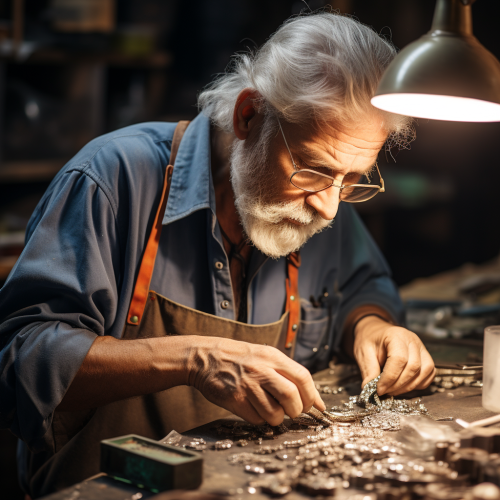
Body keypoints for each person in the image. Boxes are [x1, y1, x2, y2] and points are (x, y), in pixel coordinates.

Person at [0, 12, 435, 498]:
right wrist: (195, 357)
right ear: (248, 115)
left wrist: (371, 324)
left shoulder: (321, 197)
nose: (329, 207)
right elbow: (19, 359)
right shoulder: (113, 179)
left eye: (353, 179)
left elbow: (363, 285)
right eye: (312, 170)